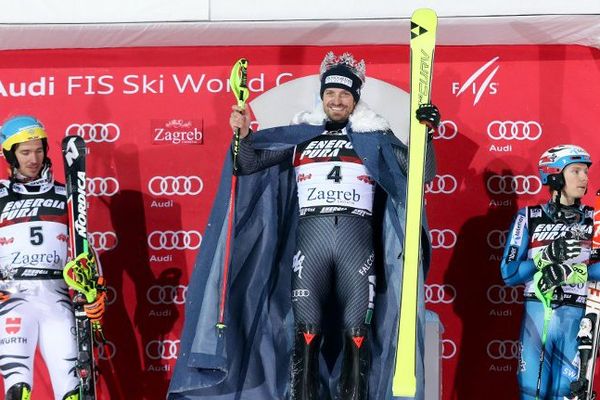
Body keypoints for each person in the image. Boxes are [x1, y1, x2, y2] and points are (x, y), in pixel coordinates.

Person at [168, 52, 438, 400]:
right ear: (322, 96)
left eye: (344, 94)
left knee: (357, 335)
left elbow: (423, 173)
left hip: (358, 249)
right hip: (310, 245)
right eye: (331, 93)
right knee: (305, 335)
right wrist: (244, 134)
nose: (336, 100)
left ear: (355, 99)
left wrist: (427, 135)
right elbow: (247, 164)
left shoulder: (375, 138)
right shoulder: (302, 138)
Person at [0, 115, 106, 400]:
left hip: (57, 297)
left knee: (71, 391)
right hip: (12, 297)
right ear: (10, 155)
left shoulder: (65, 194)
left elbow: (84, 244)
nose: (33, 158)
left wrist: (95, 287)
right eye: (24, 152)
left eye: (38, 150)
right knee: (17, 387)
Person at [500, 144, 600, 399]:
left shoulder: (594, 219)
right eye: (576, 171)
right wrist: (544, 258)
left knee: (567, 395)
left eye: (585, 171)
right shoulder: (529, 217)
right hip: (536, 315)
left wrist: (572, 272)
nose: (584, 178)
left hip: (577, 319)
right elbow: (509, 273)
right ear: (554, 175)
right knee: (531, 392)